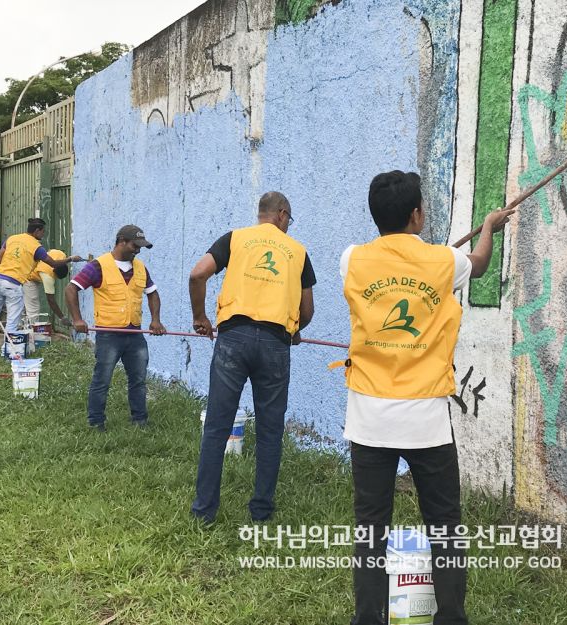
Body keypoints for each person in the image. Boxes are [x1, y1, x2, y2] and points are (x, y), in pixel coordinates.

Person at [339, 171, 514, 625]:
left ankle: (367, 619)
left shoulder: (352, 260)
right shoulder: (444, 262)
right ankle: (451, 617)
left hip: (368, 418)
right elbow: (478, 262)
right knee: (445, 524)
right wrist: (491, 227)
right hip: (426, 420)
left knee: (371, 526)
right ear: (417, 214)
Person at [189, 191, 316, 523]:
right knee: (271, 430)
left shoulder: (235, 239)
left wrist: (200, 317)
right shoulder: (299, 252)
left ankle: (204, 512)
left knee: (217, 426)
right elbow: (307, 310)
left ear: (262, 214)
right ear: (282, 214)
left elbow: (197, 273)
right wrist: (294, 328)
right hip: (275, 344)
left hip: (234, 338)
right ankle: (261, 511)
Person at [65, 225, 166, 431]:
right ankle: (96, 422)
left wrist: (156, 320)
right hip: (109, 334)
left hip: (135, 333)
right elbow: (71, 288)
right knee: (102, 380)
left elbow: (152, 293)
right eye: (134, 246)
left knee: (138, 379)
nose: (137, 250)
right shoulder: (98, 266)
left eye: (140, 247)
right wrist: (77, 319)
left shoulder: (140, 267)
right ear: (121, 242)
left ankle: (140, 420)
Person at [0, 217, 80, 356]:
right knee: (13, 320)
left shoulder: (12, 239)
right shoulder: (36, 247)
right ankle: (6, 351)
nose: (43, 235)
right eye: (43, 232)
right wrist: (70, 259)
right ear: (37, 231)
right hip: (13, 284)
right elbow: (54, 264)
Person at [23, 248, 71, 331]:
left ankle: (27, 329)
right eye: (56, 277)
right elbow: (51, 300)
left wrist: (72, 259)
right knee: (33, 308)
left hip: (34, 268)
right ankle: (31, 333)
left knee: (26, 305)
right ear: (54, 273)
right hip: (28, 278)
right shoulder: (48, 276)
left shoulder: (61, 255)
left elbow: (49, 251)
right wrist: (62, 317)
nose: (55, 278)